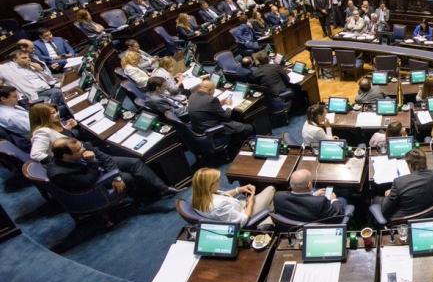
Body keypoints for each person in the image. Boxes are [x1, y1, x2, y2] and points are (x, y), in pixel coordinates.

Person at [47, 138, 180, 202]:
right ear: (66, 156)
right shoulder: (59, 173)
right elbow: (87, 181)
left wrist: (116, 177)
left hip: (100, 166)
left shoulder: (78, 146)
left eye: (82, 146)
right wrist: (92, 162)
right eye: (79, 150)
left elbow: (105, 158)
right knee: (128, 177)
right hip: (95, 182)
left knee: (134, 162)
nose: (84, 149)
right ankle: (147, 197)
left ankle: (163, 188)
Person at [191, 167, 275, 226]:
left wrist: (238, 189)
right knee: (271, 189)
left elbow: (222, 195)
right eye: (217, 181)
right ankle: (269, 219)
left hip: (237, 207)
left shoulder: (198, 196)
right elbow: (243, 220)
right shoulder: (219, 205)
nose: (220, 181)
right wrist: (251, 202)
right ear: (209, 186)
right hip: (246, 214)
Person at [188, 80, 253, 153]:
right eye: (214, 90)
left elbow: (205, 107)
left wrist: (218, 104)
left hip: (199, 128)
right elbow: (226, 117)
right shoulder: (211, 100)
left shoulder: (192, 96)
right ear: (209, 90)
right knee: (248, 128)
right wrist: (229, 105)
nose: (214, 92)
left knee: (236, 124)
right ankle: (233, 150)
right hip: (213, 131)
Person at [376, 149, 433, 219]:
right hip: (429, 213)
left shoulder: (399, 182)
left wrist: (389, 195)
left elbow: (386, 209)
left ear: (410, 165)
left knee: (376, 199)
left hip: (403, 219)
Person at [273, 169, 353, 223]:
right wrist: (333, 200)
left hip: (290, 227)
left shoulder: (278, 196)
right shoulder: (320, 202)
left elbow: (299, 204)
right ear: (309, 185)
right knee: (342, 199)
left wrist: (313, 195)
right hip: (318, 227)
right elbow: (337, 215)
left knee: (315, 189)